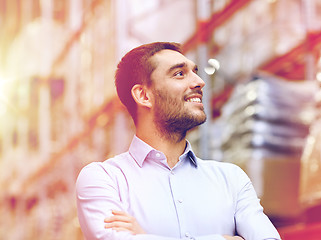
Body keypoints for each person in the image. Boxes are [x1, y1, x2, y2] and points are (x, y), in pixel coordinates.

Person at [76, 42, 281, 240]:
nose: (199, 82)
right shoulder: (104, 179)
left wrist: (146, 237)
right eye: (179, 74)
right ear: (143, 95)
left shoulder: (232, 179)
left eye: (195, 72)